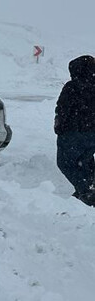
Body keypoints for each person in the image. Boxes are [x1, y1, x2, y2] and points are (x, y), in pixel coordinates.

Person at [55, 55, 95, 206]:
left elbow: (63, 109)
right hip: (92, 134)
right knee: (85, 162)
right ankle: (86, 189)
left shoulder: (72, 86)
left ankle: (86, 191)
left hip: (73, 132)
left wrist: (59, 127)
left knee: (65, 163)